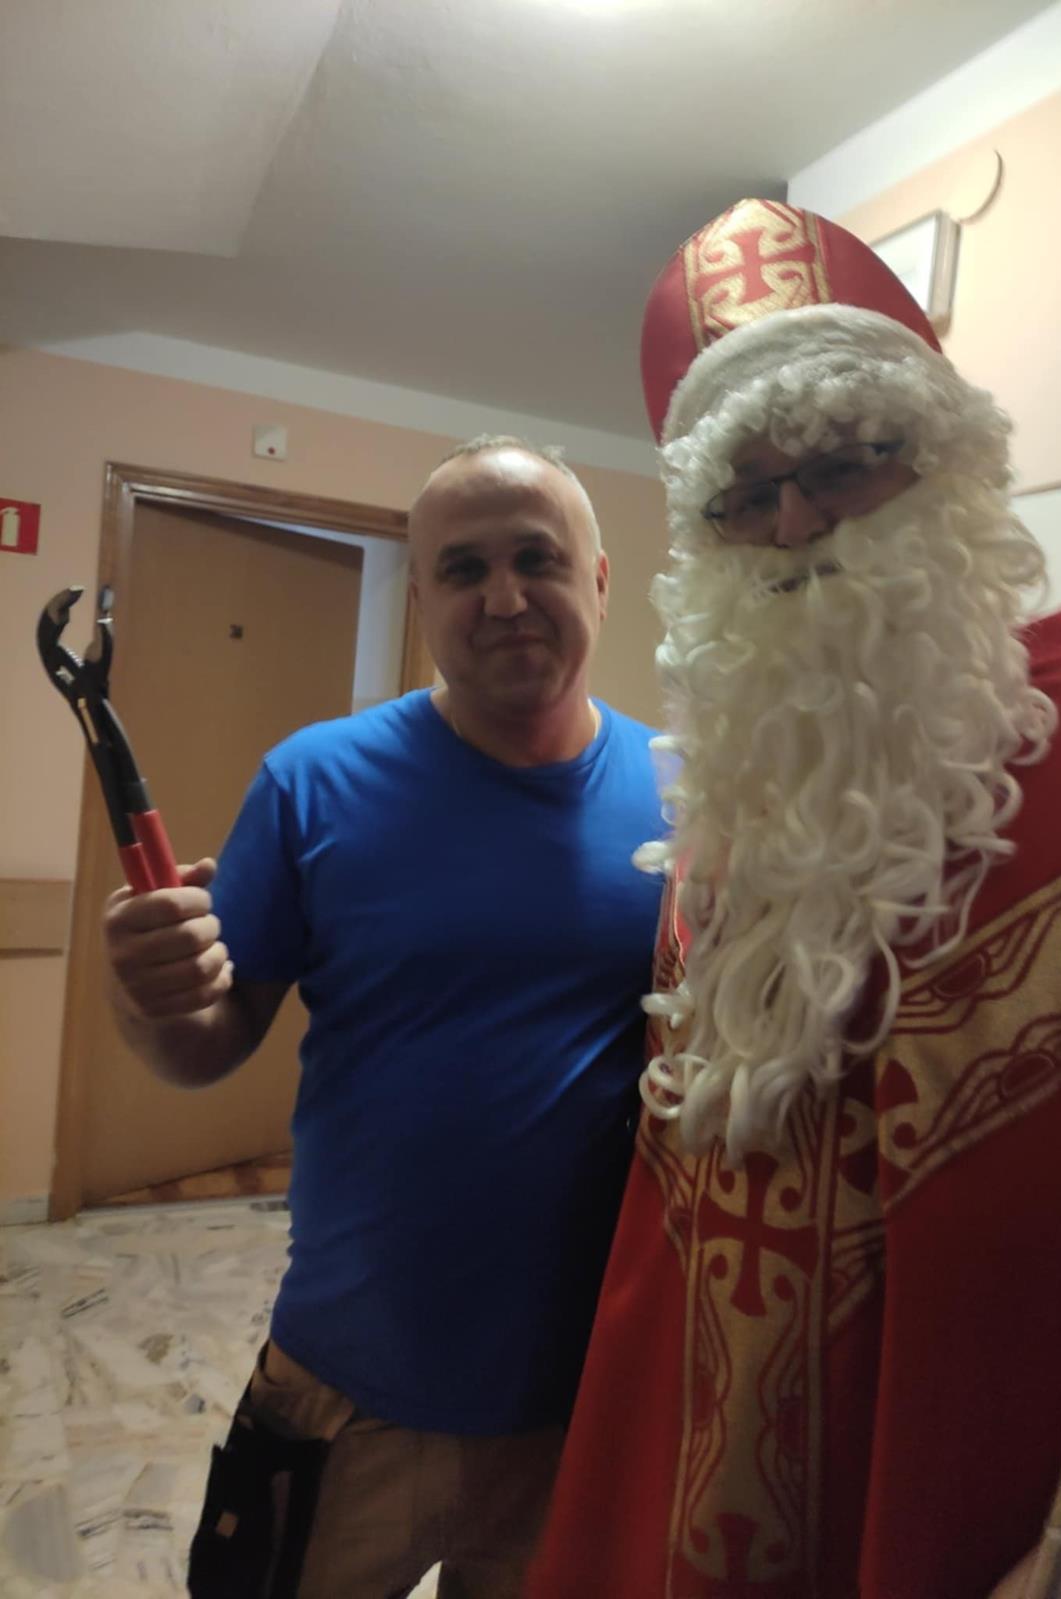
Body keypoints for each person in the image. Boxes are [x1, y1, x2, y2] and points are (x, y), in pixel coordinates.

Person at [524, 200, 1061, 1598]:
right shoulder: (723, 824)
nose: (793, 524)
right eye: (743, 495)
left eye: (842, 464)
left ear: (948, 469)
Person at [102, 435, 666, 1598]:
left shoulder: (685, 801)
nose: (503, 598)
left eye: (537, 559)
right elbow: (205, 1047)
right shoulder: (314, 781)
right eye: (463, 569)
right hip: (346, 1388)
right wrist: (149, 998)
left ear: (600, 581)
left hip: (582, 1403)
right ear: (421, 598)